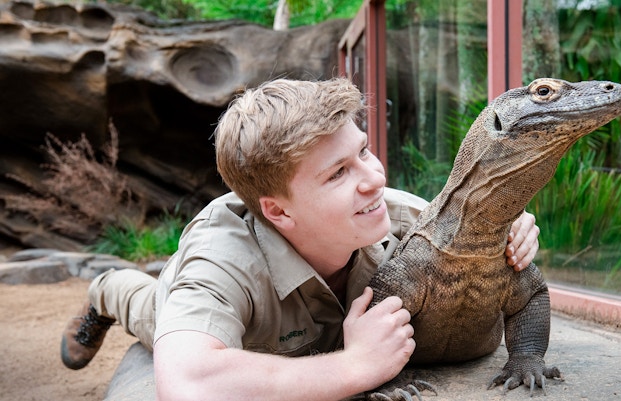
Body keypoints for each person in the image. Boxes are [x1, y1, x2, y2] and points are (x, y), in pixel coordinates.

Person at [60, 77, 540, 401]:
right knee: (148, 307)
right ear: (277, 210)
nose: (373, 177)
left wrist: (512, 227)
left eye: (364, 151)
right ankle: (105, 290)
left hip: (318, 330)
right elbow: (188, 382)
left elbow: (461, 216)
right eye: (337, 174)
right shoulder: (221, 260)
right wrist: (354, 367)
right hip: (246, 321)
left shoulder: (387, 211)